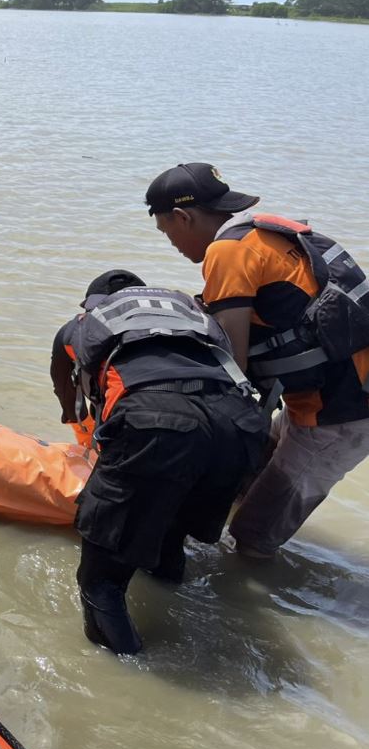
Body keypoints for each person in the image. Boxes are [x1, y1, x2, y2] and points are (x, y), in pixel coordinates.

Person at [146, 163, 369, 559]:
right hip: (337, 388)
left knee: (253, 536)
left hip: (340, 414)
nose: (174, 245)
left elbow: (233, 367)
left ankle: (245, 600)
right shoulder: (263, 234)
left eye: (168, 233)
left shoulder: (227, 251)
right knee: (245, 482)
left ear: (183, 217)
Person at [51, 270, 267, 654]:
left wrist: (86, 434)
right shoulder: (190, 315)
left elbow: (68, 392)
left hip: (158, 424)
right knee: (170, 535)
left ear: (91, 303)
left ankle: (126, 681)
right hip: (239, 427)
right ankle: (170, 586)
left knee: (101, 583)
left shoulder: (83, 323)